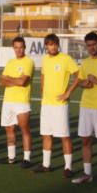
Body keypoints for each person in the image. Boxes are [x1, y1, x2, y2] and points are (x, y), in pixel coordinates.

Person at [65, 32, 97, 186]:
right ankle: (87, 173)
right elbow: (80, 81)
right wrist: (84, 84)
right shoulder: (85, 63)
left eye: (94, 44)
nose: (92, 48)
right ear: (86, 46)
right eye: (89, 45)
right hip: (86, 107)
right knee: (85, 141)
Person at [34, 33, 79, 174]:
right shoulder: (45, 59)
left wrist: (68, 92)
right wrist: (42, 91)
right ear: (46, 46)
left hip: (60, 105)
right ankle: (46, 165)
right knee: (46, 135)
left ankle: (68, 167)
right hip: (46, 104)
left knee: (64, 136)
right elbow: (43, 75)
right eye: (49, 44)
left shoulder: (66, 59)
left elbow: (79, 74)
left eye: (54, 44)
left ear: (58, 45)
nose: (52, 47)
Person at [0, 35, 35, 168]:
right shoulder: (10, 62)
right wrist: (14, 80)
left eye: (21, 47)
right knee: (9, 129)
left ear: (24, 47)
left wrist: (10, 79)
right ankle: (11, 157)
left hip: (22, 101)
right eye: (16, 48)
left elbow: (23, 81)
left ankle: (27, 159)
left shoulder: (28, 62)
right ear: (13, 48)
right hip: (8, 101)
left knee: (24, 130)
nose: (18, 50)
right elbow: (2, 81)